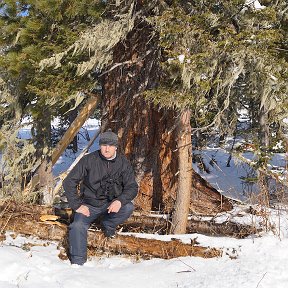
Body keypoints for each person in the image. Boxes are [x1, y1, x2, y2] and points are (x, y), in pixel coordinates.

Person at [62, 130, 138, 265]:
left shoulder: (123, 163)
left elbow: (132, 187)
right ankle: (78, 262)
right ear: (100, 145)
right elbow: (69, 182)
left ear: (116, 147)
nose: (107, 148)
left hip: (110, 205)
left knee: (128, 207)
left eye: (110, 145)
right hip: (89, 205)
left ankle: (108, 224)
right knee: (77, 226)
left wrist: (120, 201)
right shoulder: (88, 160)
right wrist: (77, 205)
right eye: (104, 145)